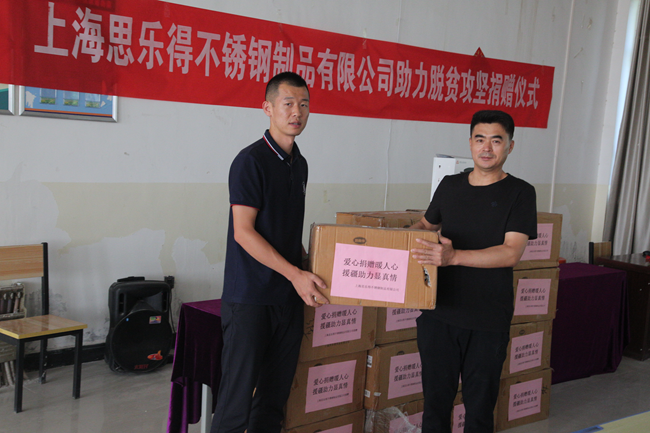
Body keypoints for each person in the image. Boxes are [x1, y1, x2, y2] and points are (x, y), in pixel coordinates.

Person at [210, 71, 328, 433]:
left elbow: (285, 231)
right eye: (288, 103)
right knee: (235, 404)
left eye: (304, 104)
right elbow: (244, 233)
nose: (297, 112)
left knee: (272, 402)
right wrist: (296, 274)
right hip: (250, 299)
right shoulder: (251, 161)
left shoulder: (299, 164)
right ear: (268, 108)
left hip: (288, 299)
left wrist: (312, 266)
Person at [410, 110, 538, 432]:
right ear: (470, 143)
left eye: (496, 141)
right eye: (480, 139)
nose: (486, 148)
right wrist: (391, 243)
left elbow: (511, 252)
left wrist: (453, 257)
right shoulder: (450, 185)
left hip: (487, 320)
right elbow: (425, 225)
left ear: (510, 146)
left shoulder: (521, 193)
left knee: (479, 413)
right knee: (434, 409)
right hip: (439, 314)